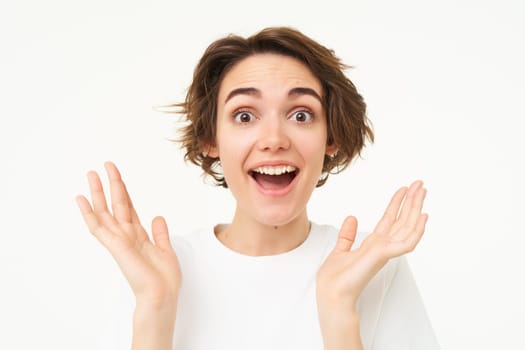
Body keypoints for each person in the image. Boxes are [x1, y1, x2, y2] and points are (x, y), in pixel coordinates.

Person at [76, 27, 439, 350]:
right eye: (244, 115)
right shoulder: (156, 270)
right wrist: (155, 306)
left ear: (331, 137)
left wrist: (339, 310)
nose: (274, 139)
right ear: (210, 138)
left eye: (301, 114)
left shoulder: (371, 264)